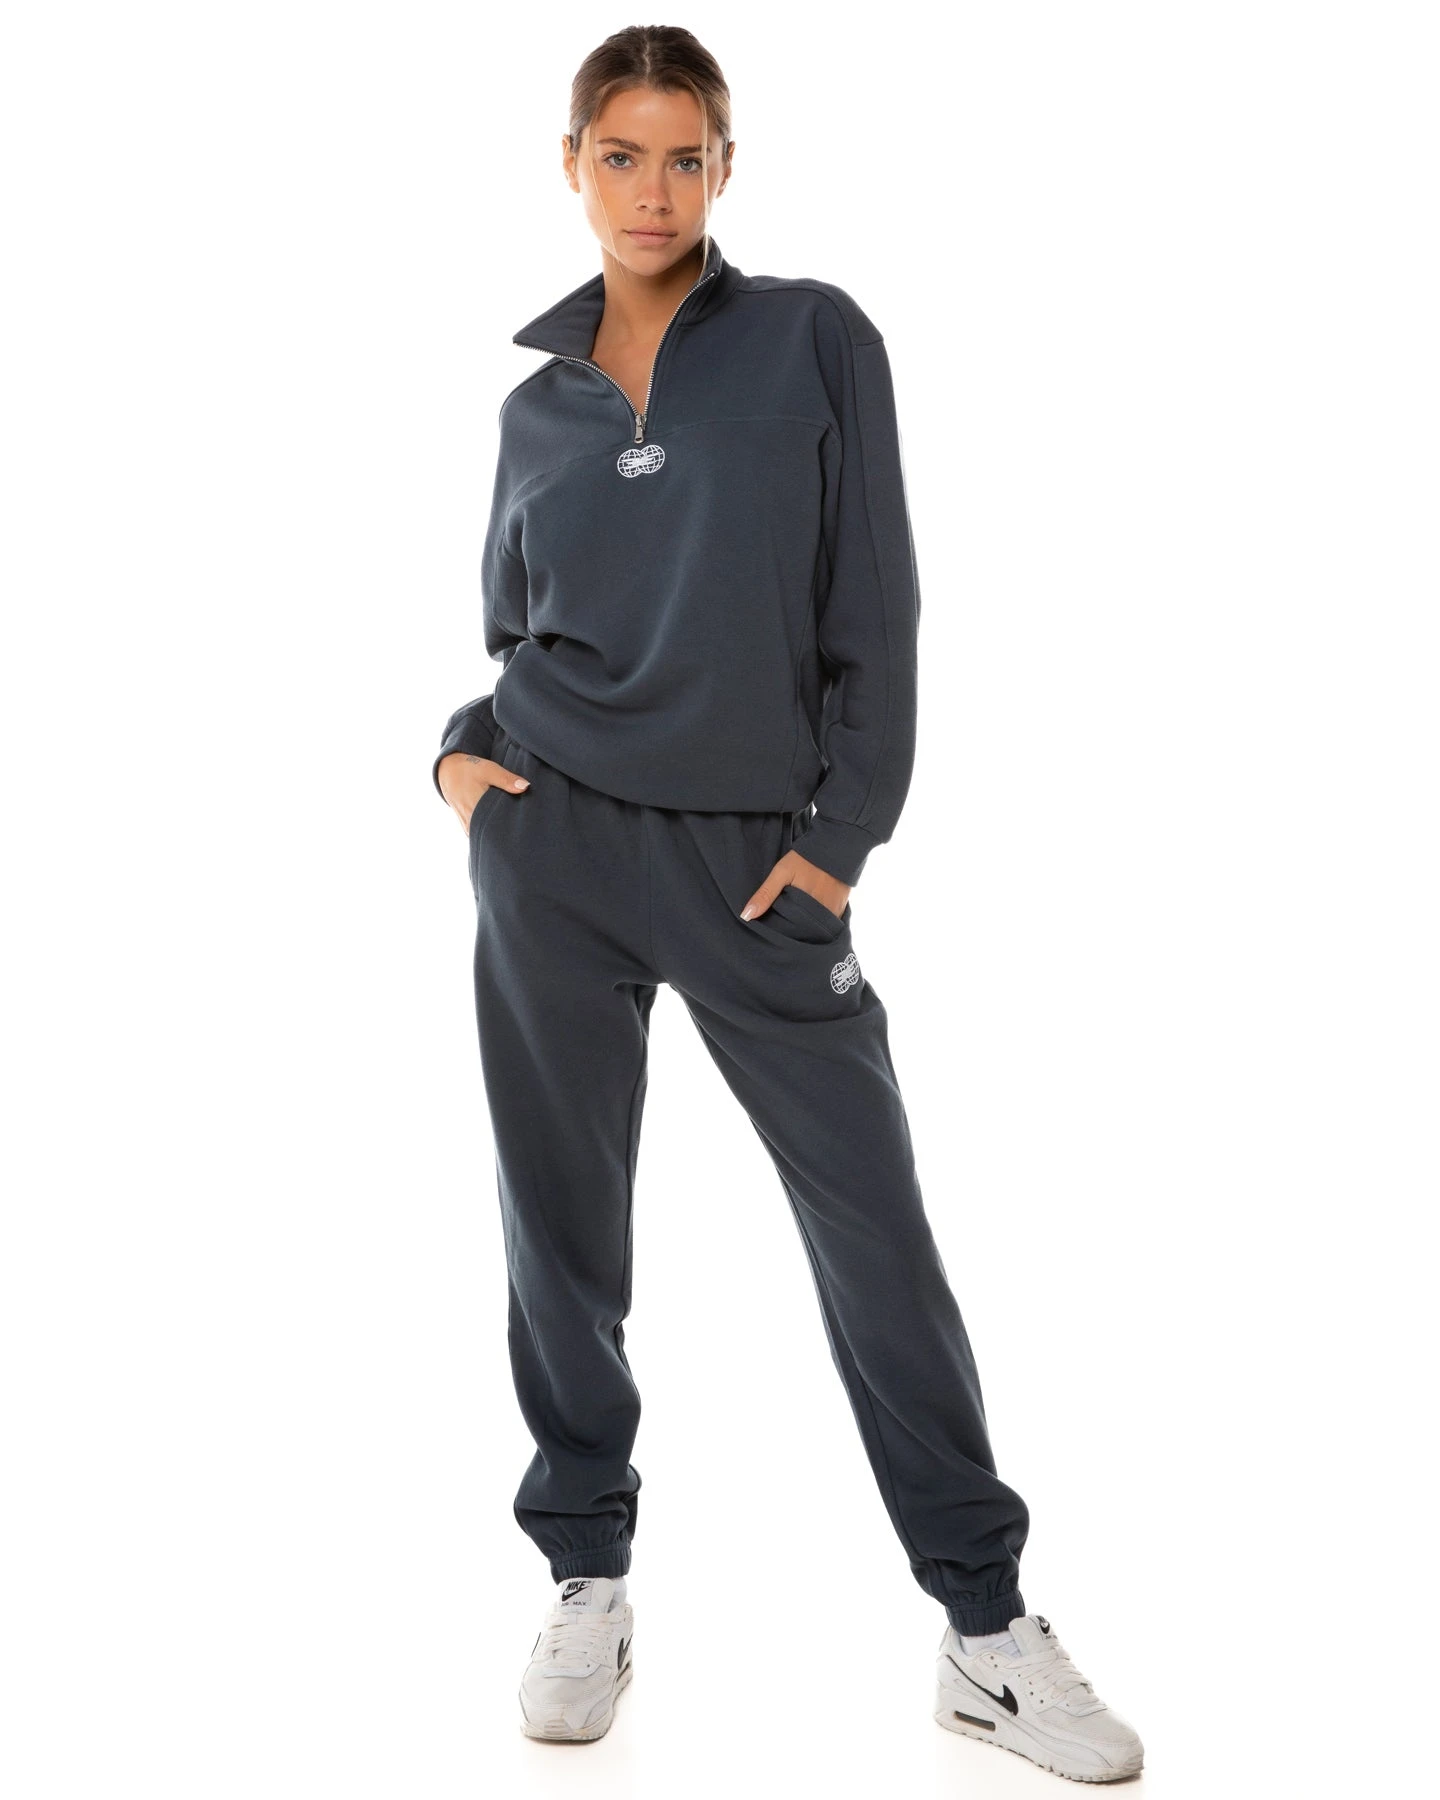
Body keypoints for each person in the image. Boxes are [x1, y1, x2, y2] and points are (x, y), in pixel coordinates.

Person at [433, 26, 1143, 1783]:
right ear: (572, 165)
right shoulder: (535, 404)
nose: (653, 190)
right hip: (554, 850)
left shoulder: (815, 337)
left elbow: (875, 600)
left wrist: (840, 842)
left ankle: (985, 1622)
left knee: (874, 1231)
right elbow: (513, 631)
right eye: (621, 156)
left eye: (685, 156)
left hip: (758, 868)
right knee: (559, 1229)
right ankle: (585, 1572)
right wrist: (460, 759)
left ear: (726, 168)